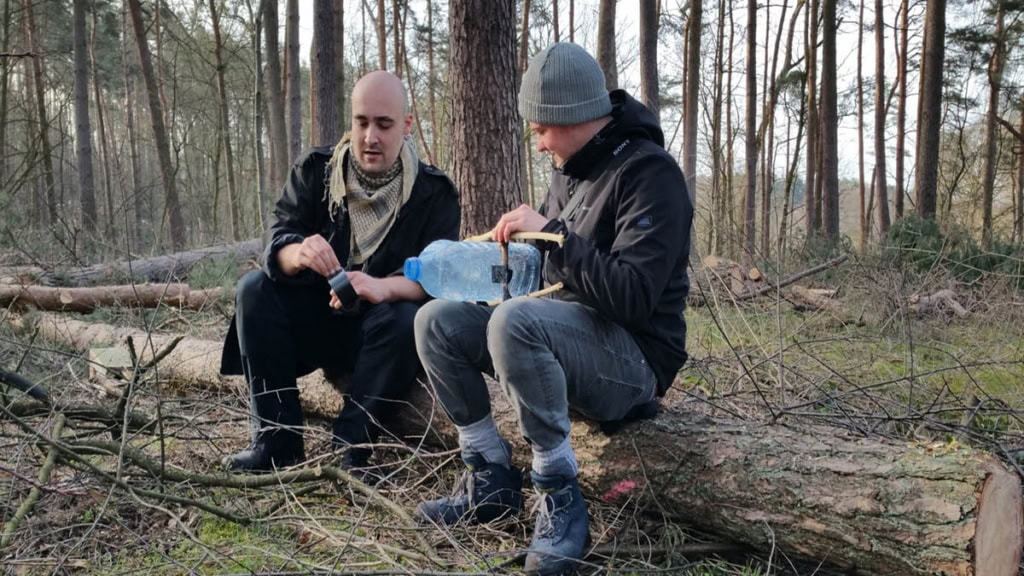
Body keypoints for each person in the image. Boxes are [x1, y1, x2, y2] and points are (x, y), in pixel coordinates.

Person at [412, 43, 693, 575]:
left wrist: (554, 237)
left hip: (634, 366)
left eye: (542, 129)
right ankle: (490, 475)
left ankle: (558, 491)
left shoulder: (651, 175)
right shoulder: (570, 170)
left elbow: (634, 296)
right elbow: (548, 275)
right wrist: (500, 263)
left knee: (513, 322)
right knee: (437, 320)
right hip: (561, 343)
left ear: (575, 116)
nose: (539, 144)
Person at [220, 71, 460, 478]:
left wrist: (382, 288)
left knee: (406, 318)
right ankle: (276, 441)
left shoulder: (433, 194)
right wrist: (297, 253)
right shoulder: (316, 171)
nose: (370, 137)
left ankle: (352, 448)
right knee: (253, 290)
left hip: (382, 340)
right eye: (361, 122)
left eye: (384, 125)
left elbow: (437, 277)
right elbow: (278, 239)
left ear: (406, 124)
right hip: (313, 325)